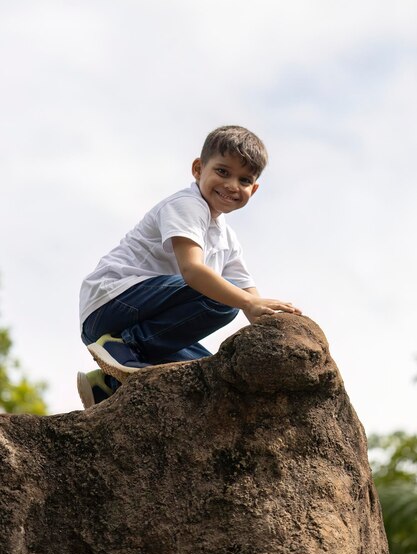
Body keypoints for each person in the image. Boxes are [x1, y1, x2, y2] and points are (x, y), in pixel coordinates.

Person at [77, 125, 302, 408]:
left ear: (253, 189)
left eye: (244, 180)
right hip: (111, 304)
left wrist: (278, 327)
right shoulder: (187, 204)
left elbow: (251, 299)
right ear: (198, 169)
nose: (232, 185)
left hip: (136, 317)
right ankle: (124, 347)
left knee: (207, 373)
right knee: (221, 298)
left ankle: (107, 388)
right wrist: (245, 301)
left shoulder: (226, 238)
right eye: (222, 172)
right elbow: (193, 271)